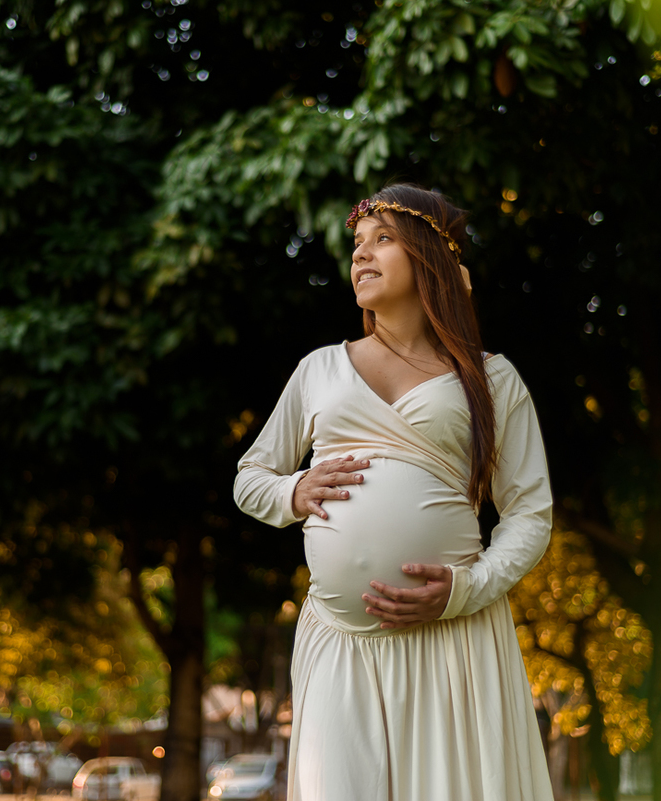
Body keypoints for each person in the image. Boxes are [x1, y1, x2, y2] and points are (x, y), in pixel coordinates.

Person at [234, 183, 554, 800]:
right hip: (340, 644)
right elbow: (251, 478)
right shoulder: (319, 369)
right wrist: (295, 491)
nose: (361, 254)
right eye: (357, 242)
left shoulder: (491, 379)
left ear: (430, 257)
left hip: (454, 641)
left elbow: (530, 515)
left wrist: (465, 590)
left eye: (382, 239)